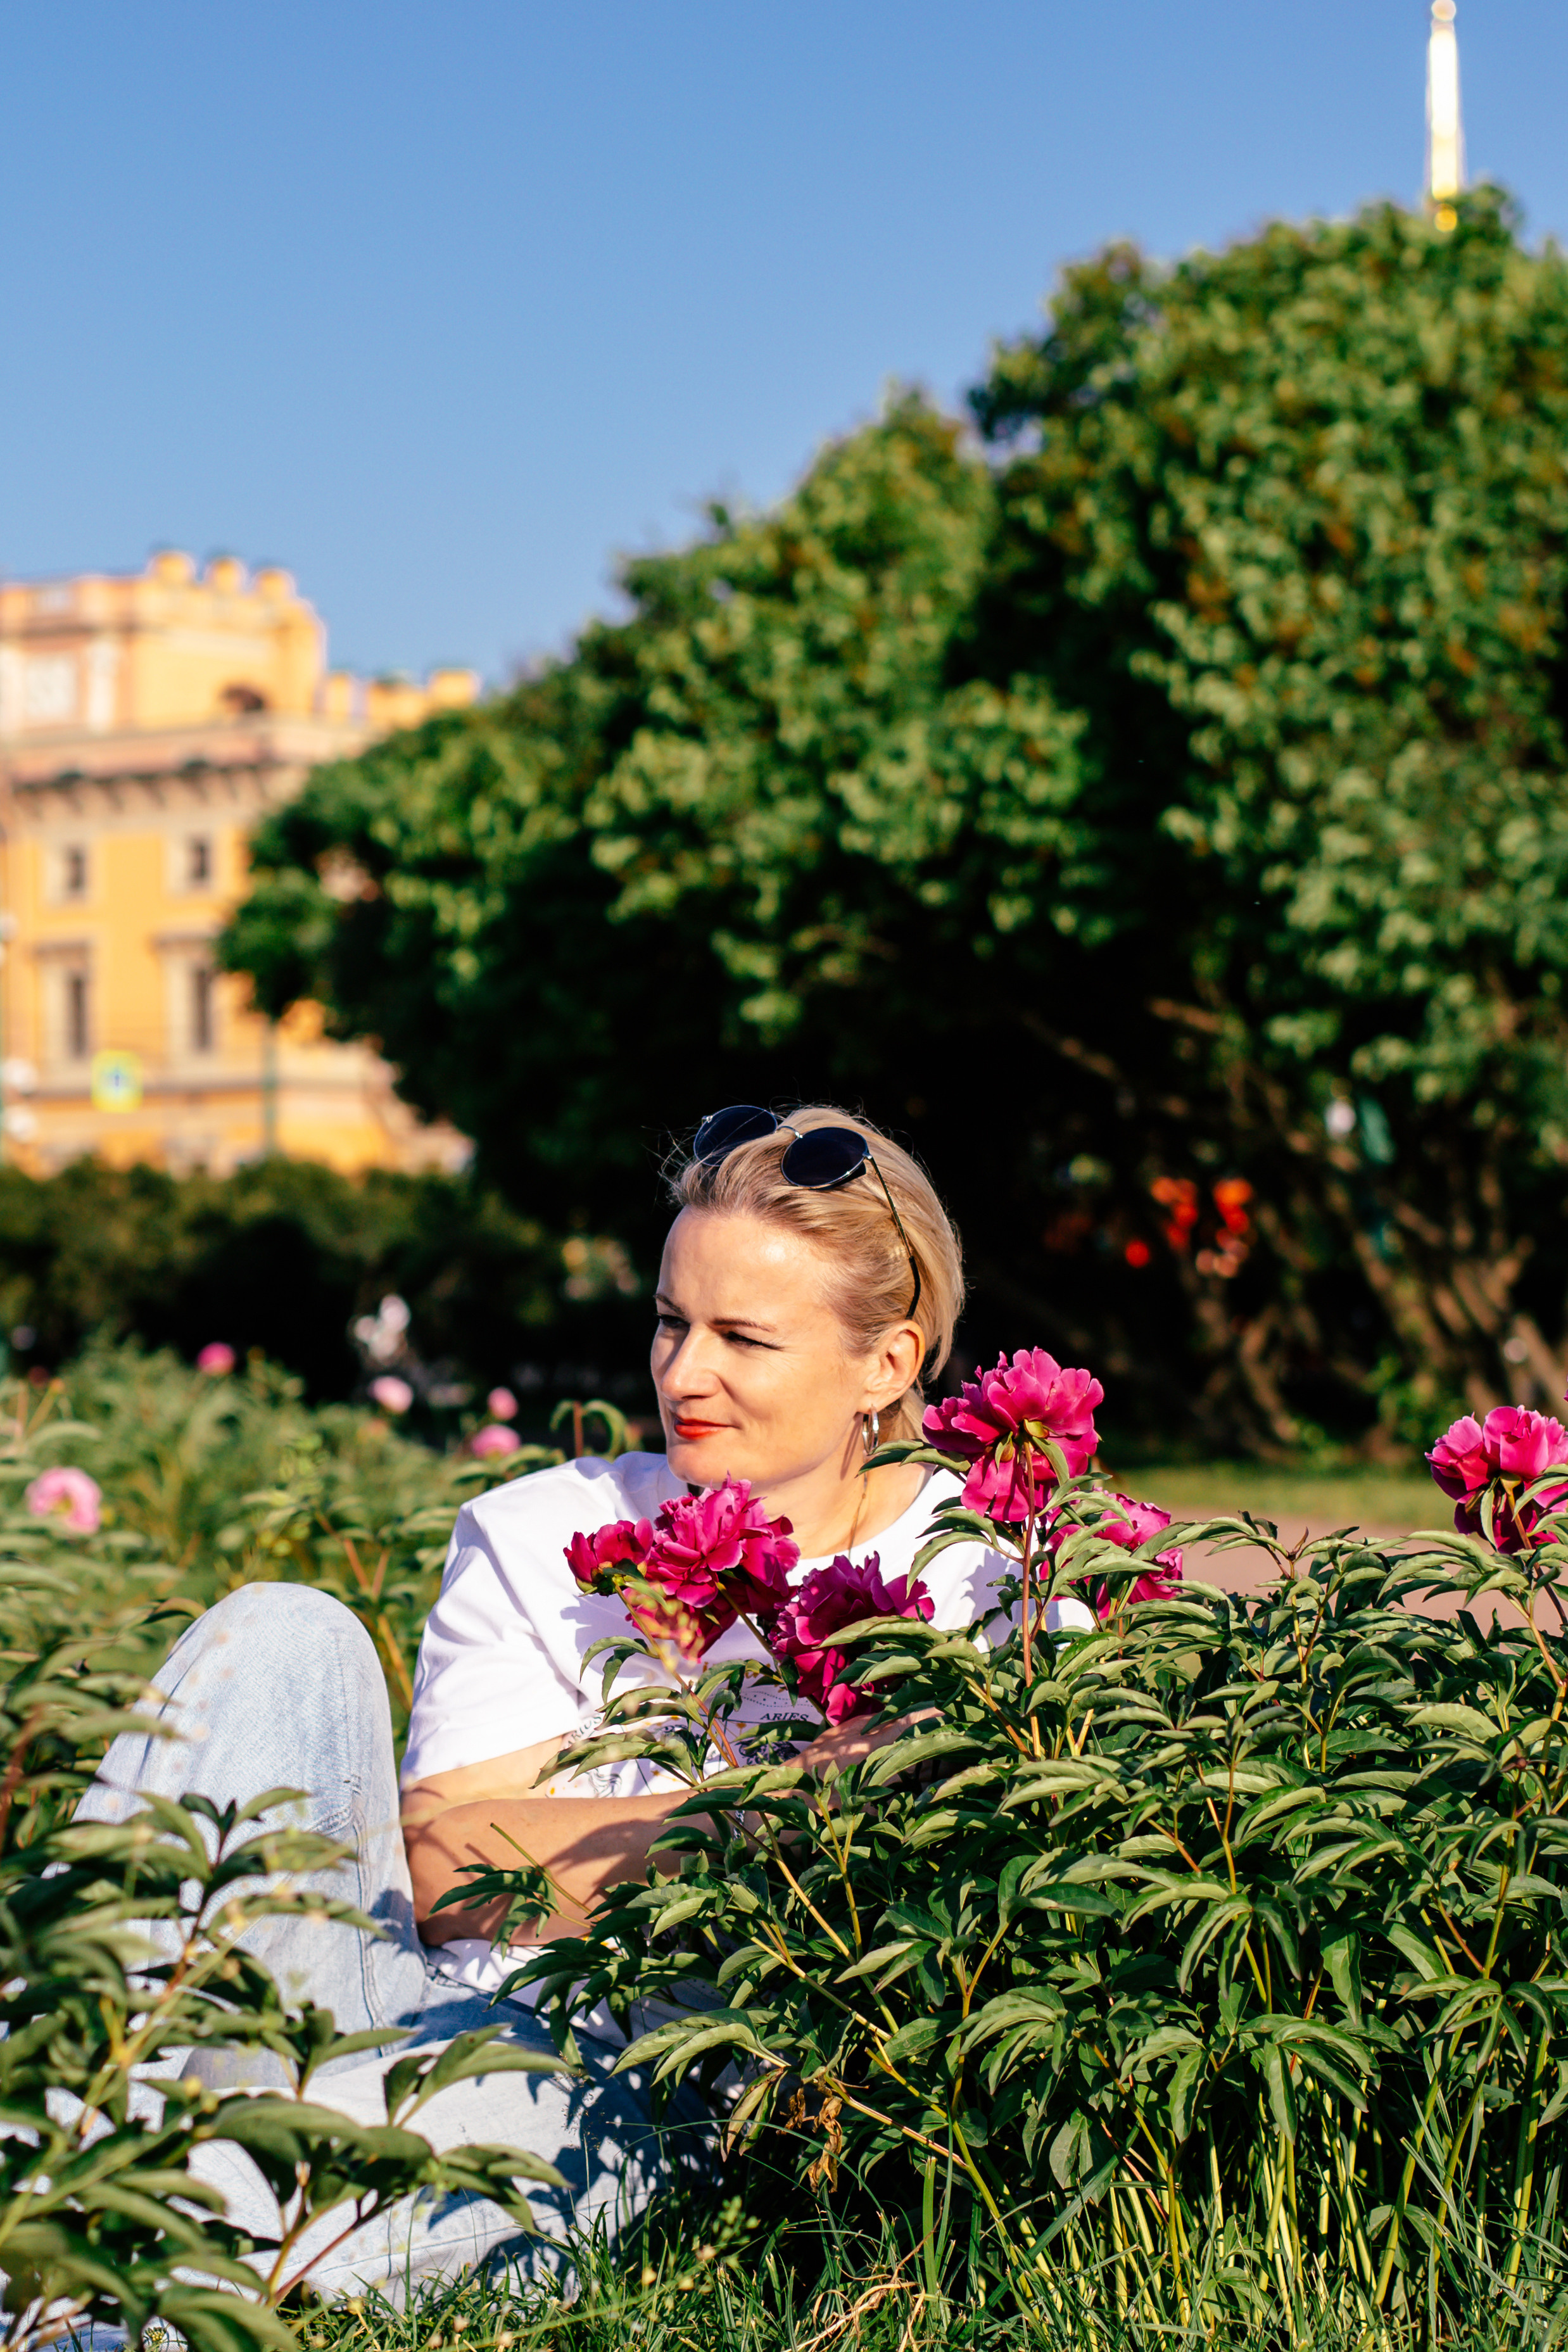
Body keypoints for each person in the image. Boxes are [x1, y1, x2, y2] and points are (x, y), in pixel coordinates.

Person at [82, 1105, 1008, 2296]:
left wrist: (557, 1833)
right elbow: (435, 1866)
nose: (684, 1373)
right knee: (285, 1628)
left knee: (253, 2193)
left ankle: (89, 2232)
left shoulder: (994, 1581)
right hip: (410, 2002)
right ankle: (64, 2107)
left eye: (743, 1337)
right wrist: (773, 1816)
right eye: (671, 1321)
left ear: (888, 1361)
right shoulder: (549, 1530)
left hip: (631, 2093)